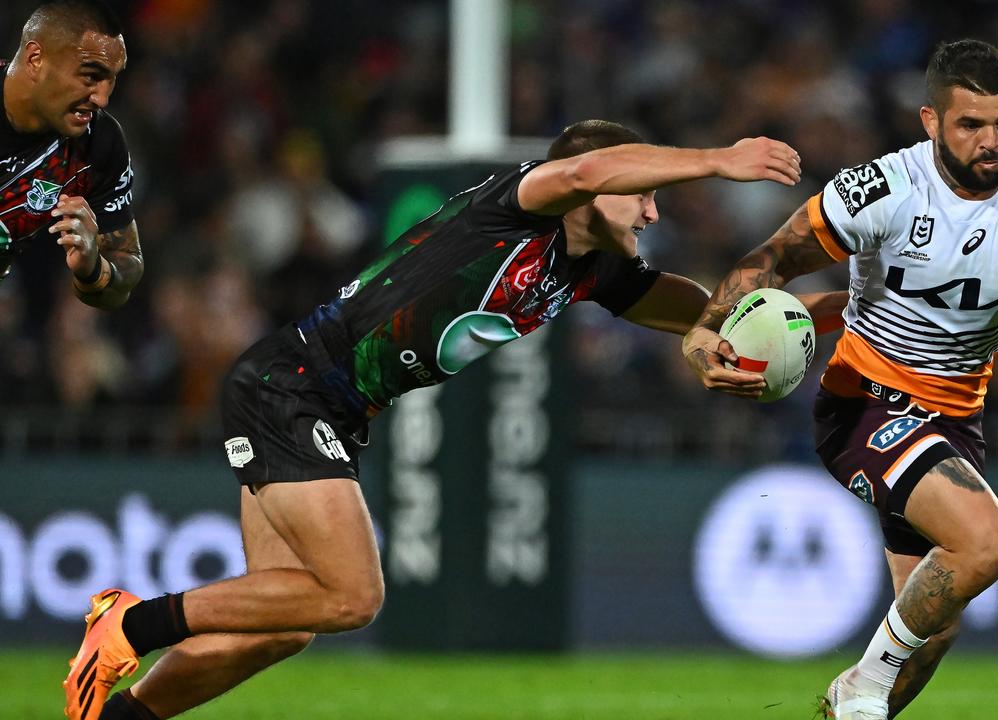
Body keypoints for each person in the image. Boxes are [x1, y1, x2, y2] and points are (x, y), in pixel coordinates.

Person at [63, 119, 802, 720]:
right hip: (292, 384)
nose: (653, 209)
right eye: (643, 191)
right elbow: (581, 172)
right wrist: (715, 159)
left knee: (283, 624)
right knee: (353, 596)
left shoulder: (593, 269)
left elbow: (699, 315)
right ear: (601, 181)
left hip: (330, 406)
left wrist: (790, 323)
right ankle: (131, 623)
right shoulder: (518, 204)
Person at [682, 40, 998, 719]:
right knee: (990, 543)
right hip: (866, 406)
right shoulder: (884, 190)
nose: (991, 141)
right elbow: (774, 259)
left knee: (933, 628)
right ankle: (860, 685)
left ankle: (848, 707)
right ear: (931, 122)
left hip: (955, 423)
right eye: (971, 124)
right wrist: (707, 329)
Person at [1, 0, 141, 310]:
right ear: (35, 59)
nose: (102, 98)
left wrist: (92, 267)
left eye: (112, 79)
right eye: (91, 76)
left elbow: (126, 271)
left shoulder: (98, 147)